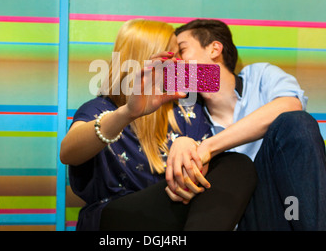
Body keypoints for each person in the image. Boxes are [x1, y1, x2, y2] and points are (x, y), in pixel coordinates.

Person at [164, 18, 326, 230]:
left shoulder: (259, 76)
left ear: (215, 48)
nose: (175, 62)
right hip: (256, 216)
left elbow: (290, 105)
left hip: (310, 206)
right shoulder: (185, 116)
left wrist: (209, 147)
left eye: (182, 50)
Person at [60, 19, 257, 231]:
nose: (184, 63)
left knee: (238, 164)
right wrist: (127, 113)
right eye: (176, 54)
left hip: (175, 212)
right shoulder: (100, 108)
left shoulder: (188, 109)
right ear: (151, 58)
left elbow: (218, 80)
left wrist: (187, 144)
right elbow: (67, 153)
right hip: (117, 219)